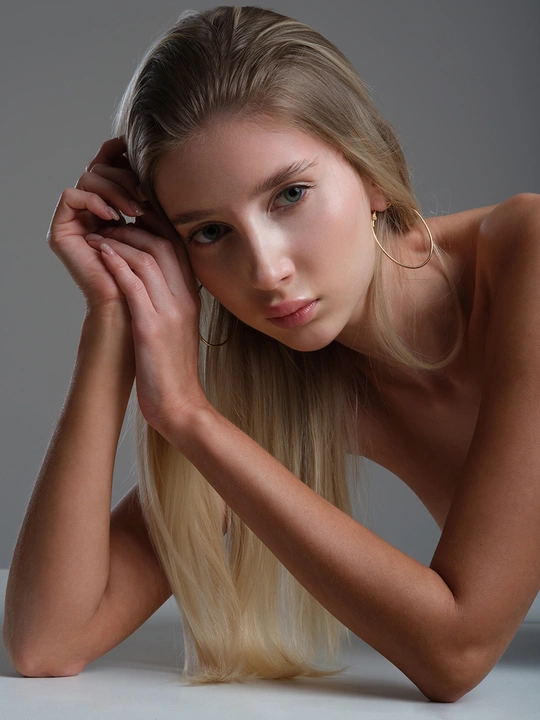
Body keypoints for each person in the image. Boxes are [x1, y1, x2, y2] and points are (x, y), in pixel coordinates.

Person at [3, 4, 540, 703]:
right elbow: (47, 641)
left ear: (372, 171)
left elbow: (456, 649)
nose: (266, 269)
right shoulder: (284, 380)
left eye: (290, 194)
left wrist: (188, 415)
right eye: (209, 232)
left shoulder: (527, 256)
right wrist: (113, 313)